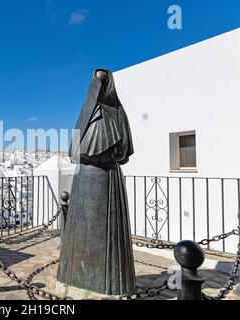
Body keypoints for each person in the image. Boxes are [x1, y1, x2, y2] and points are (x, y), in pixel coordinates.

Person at [57, 68, 136, 295]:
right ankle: (75, 275)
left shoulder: (118, 114)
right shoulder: (85, 116)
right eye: (97, 81)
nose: (100, 85)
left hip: (108, 178)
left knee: (106, 237)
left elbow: (123, 151)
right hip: (83, 181)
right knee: (81, 233)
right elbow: (74, 150)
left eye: (104, 81)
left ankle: (107, 281)